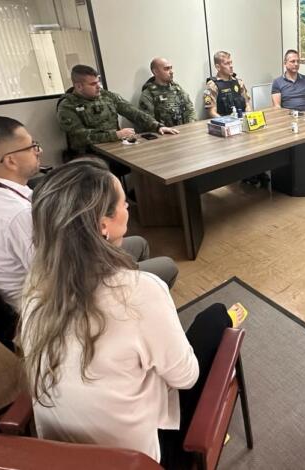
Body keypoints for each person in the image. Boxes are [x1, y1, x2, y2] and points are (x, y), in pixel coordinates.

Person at [19, 159, 247, 468]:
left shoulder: (34, 288)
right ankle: (225, 318)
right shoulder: (140, 291)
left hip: (61, 455)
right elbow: (186, 377)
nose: (128, 206)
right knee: (214, 318)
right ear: (103, 224)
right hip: (135, 459)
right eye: (124, 201)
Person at [0, 116, 178, 308]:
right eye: (31, 146)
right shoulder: (17, 217)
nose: (39, 151)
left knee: (137, 242)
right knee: (165, 267)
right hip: (56, 300)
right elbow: (60, 277)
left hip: (48, 273)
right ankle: (138, 304)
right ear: (11, 160)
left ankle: (137, 304)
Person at [57, 64, 179, 155]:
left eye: (98, 82)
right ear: (79, 86)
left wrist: (157, 126)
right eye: (93, 84)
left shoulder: (107, 96)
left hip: (116, 148)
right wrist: (116, 135)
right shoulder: (67, 106)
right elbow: (80, 137)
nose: (99, 87)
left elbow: (133, 112)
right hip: (89, 156)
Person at [139, 57, 196, 127]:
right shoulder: (148, 94)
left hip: (184, 131)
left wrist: (190, 126)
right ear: (155, 72)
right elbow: (147, 122)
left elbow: (190, 110)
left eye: (171, 68)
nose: (171, 72)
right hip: (163, 134)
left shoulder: (177, 88)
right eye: (166, 69)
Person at [203, 51, 252, 118]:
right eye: (227, 63)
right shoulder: (212, 85)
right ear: (218, 67)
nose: (231, 66)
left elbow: (247, 103)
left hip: (241, 121)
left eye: (231, 63)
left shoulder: (238, 82)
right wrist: (225, 122)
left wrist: (248, 116)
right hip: (224, 124)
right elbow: (211, 112)